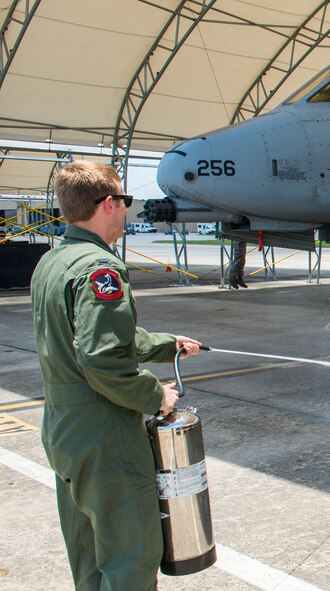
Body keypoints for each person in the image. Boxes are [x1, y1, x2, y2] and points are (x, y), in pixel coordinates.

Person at [30, 162, 202, 591]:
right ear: (109, 204)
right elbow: (102, 358)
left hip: (64, 429)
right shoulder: (100, 270)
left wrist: (167, 344)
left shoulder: (52, 263)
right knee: (130, 556)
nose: (127, 211)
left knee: (88, 555)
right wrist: (153, 396)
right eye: (124, 201)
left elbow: (101, 337)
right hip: (104, 434)